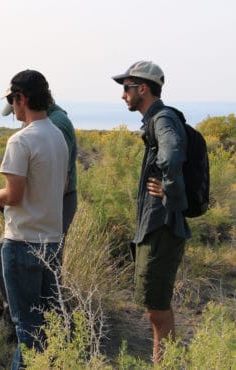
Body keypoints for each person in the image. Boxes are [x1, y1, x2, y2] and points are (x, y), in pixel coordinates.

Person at [0, 70, 68, 369]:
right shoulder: (58, 137)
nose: (13, 107)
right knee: (45, 325)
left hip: (23, 243)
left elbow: (13, 196)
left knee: (27, 327)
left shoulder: (21, 141)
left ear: (22, 98)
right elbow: (62, 187)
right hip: (52, 243)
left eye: (13, 100)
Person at [112, 61, 189, 364]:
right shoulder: (157, 120)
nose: (123, 95)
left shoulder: (162, 119)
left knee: (156, 308)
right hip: (158, 225)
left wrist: (171, 193)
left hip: (161, 225)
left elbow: (171, 154)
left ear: (142, 88)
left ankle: (164, 363)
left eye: (126, 88)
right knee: (156, 305)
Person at [0, 100, 78, 318]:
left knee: (36, 269)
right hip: (49, 204)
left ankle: (29, 322)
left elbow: (58, 180)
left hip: (49, 205)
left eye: (14, 109)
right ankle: (43, 327)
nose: (15, 115)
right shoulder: (51, 126)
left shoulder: (53, 126)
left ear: (22, 100)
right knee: (43, 270)